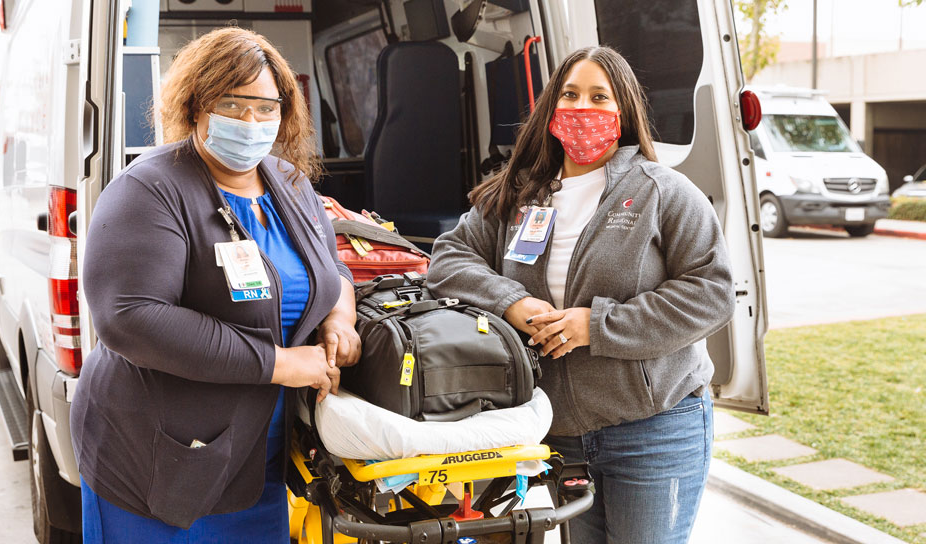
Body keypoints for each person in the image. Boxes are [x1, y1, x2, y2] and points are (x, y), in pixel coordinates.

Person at [427, 46, 733, 543]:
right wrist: (513, 302)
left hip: (654, 429)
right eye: (570, 95)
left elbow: (712, 291)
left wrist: (594, 325)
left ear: (623, 112)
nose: (582, 109)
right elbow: (448, 260)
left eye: (599, 97)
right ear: (551, 109)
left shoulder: (664, 192)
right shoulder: (519, 194)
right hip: (560, 433)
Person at [70, 27, 360, 542]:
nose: (251, 121)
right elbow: (130, 317)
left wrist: (339, 316)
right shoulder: (148, 188)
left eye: (266, 107)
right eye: (232, 103)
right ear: (195, 105)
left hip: (257, 460)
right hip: (157, 459)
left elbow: (330, 269)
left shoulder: (290, 184)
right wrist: (278, 363)